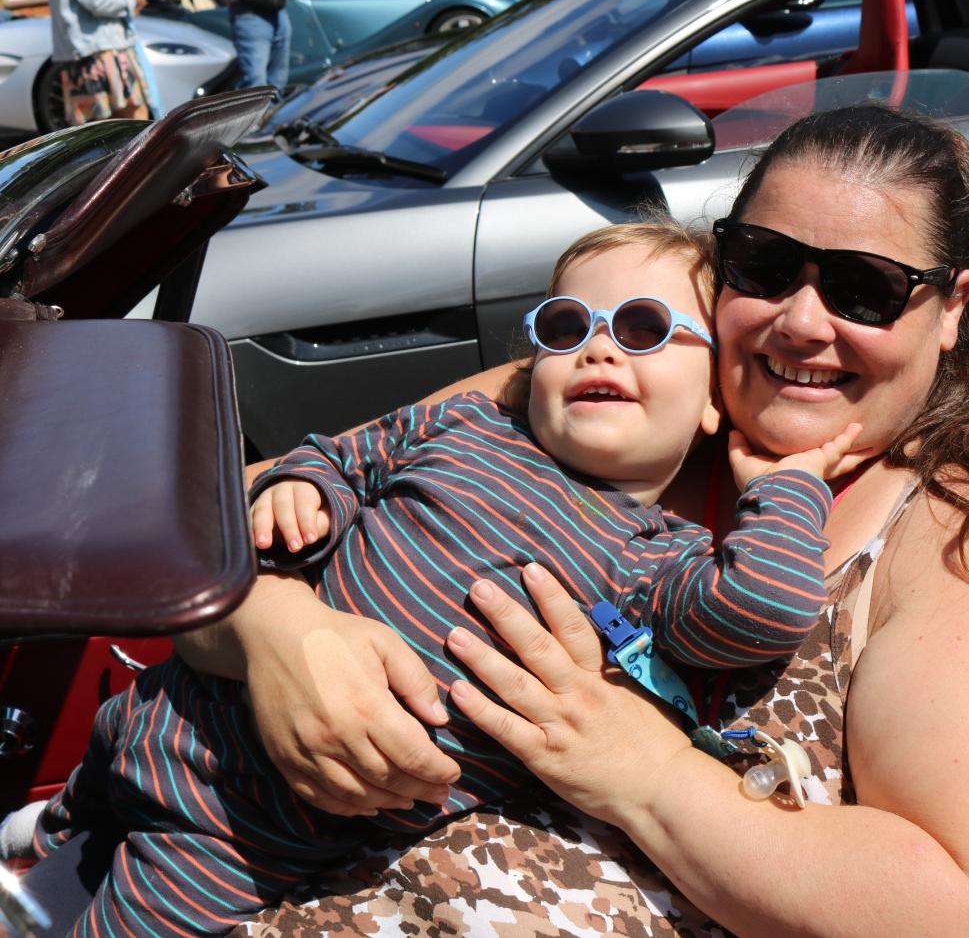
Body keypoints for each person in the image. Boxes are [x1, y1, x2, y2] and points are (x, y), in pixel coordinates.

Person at [175, 104, 969, 936]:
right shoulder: (604, 387)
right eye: (766, 263)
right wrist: (274, 629)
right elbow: (200, 526)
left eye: (862, 288)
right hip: (230, 872)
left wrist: (646, 772)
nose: (800, 319)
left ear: (951, 308)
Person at [25, 222, 861, 936]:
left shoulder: (654, 557)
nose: (598, 344)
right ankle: (49, 844)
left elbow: (763, 604)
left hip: (257, 823)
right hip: (178, 701)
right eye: (565, 325)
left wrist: (788, 483)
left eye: (644, 327)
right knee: (74, 816)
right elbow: (344, 452)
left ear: (714, 400)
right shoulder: (463, 421)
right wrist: (303, 489)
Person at [46, 0, 153, 125]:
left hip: (88, 55)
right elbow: (98, 1)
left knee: (105, 133)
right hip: (102, 55)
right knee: (134, 125)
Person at [204, 0, 321, 91]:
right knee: (255, 82)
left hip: (277, 11)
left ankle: (274, 110)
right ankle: (253, 111)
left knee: (278, 80)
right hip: (249, 13)